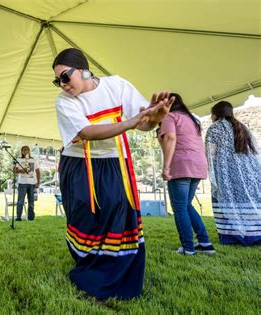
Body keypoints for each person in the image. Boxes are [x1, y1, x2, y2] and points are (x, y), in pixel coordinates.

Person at [53, 48, 174, 300]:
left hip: (115, 163)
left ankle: (118, 274)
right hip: (78, 165)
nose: (62, 85)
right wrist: (134, 121)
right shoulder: (64, 101)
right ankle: (88, 267)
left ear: (84, 69)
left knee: (118, 212)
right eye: (58, 80)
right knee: (84, 216)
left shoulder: (116, 85)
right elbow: (86, 132)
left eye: (65, 77)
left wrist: (155, 119)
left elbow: (144, 122)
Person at [157, 93, 215, 255]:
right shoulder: (191, 120)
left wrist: (166, 167)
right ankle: (205, 243)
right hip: (198, 165)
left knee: (180, 207)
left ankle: (188, 248)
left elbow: (170, 138)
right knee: (187, 205)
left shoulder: (170, 116)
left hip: (182, 164)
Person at [205, 101, 261, 246]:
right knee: (248, 202)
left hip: (227, 175)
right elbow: (254, 151)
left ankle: (232, 237)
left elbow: (211, 154)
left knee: (227, 201)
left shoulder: (215, 128)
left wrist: (212, 172)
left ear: (215, 114)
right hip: (249, 174)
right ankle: (255, 235)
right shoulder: (243, 127)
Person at [14, 146, 40, 221]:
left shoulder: (33, 160)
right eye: (24, 150)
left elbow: (38, 172)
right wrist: (22, 170)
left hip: (32, 184)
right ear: (22, 152)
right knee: (20, 201)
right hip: (22, 183)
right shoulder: (19, 159)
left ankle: (31, 218)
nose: (26, 151)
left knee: (31, 202)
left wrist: (38, 182)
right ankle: (18, 217)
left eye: (27, 150)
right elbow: (14, 170)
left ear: (29, 151)